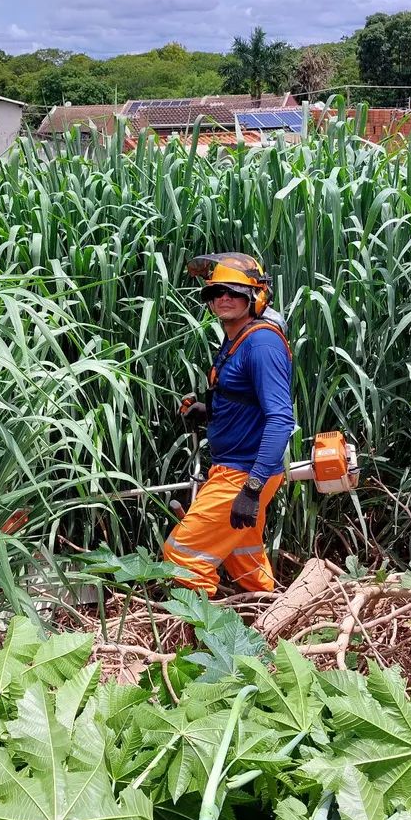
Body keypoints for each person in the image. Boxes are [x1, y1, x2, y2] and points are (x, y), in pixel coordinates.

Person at [163, 253, 295, 596]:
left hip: (244, 473)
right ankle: (272, 616)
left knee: (182, 555)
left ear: (256, 296)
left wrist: (251, 489)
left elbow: (281, 418)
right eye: (216, 292)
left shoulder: (262, 343)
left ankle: (205, 639)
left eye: (234, 292)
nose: (224, 298)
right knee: (243, 557)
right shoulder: (239, 337)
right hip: (235, 469)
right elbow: (248, 401)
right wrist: (208, 412)